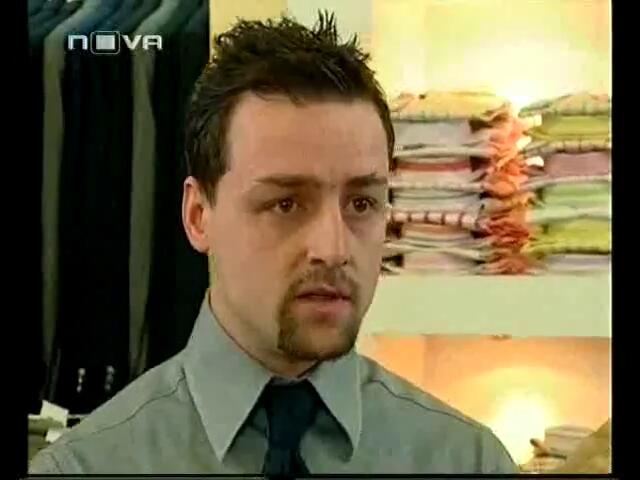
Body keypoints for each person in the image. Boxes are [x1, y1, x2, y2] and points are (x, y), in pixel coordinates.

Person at [29, 13, 518, 475]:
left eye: (361, 203)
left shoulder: (468, 463)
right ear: (198, 216)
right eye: (286, 204)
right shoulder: (87, 468)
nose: (333, 248)